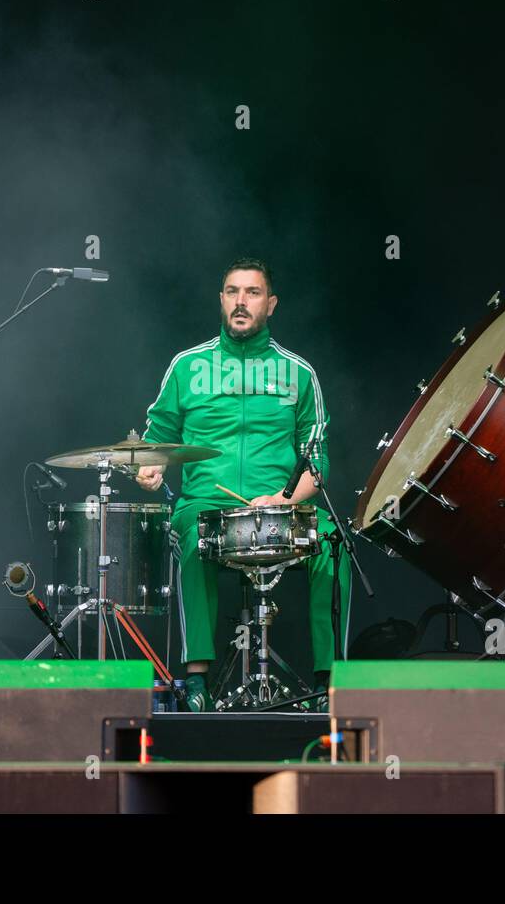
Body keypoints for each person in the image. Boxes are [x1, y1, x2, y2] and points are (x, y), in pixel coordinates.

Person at [136, 258, 350, 712]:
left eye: (252, 293)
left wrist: (283, 498)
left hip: (282, 506)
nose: (240, 301)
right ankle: (196, 679)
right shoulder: (187, 366)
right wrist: (151, 466)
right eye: (232, 291)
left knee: (334, 543)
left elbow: (318, 460)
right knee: (194, 539)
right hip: (206, 505)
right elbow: (156, 438)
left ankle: (329, 682)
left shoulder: (299, 373)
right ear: (220, 300)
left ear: (270, 305)